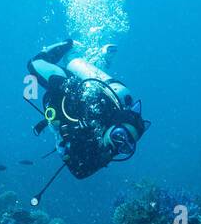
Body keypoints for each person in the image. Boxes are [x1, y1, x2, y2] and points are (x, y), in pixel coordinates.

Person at [27, 39, 149, 181]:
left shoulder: (108, 149)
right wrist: (66, 89)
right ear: (114, 125)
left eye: (125, 148)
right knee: (34, 64)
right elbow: (81, 93)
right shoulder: (94, 105)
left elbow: (79, 173)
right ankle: (69, 44)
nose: (117, 145)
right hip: (66, 90)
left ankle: (98, 62)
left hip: (62, 109)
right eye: (119, 135)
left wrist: (73, 144)